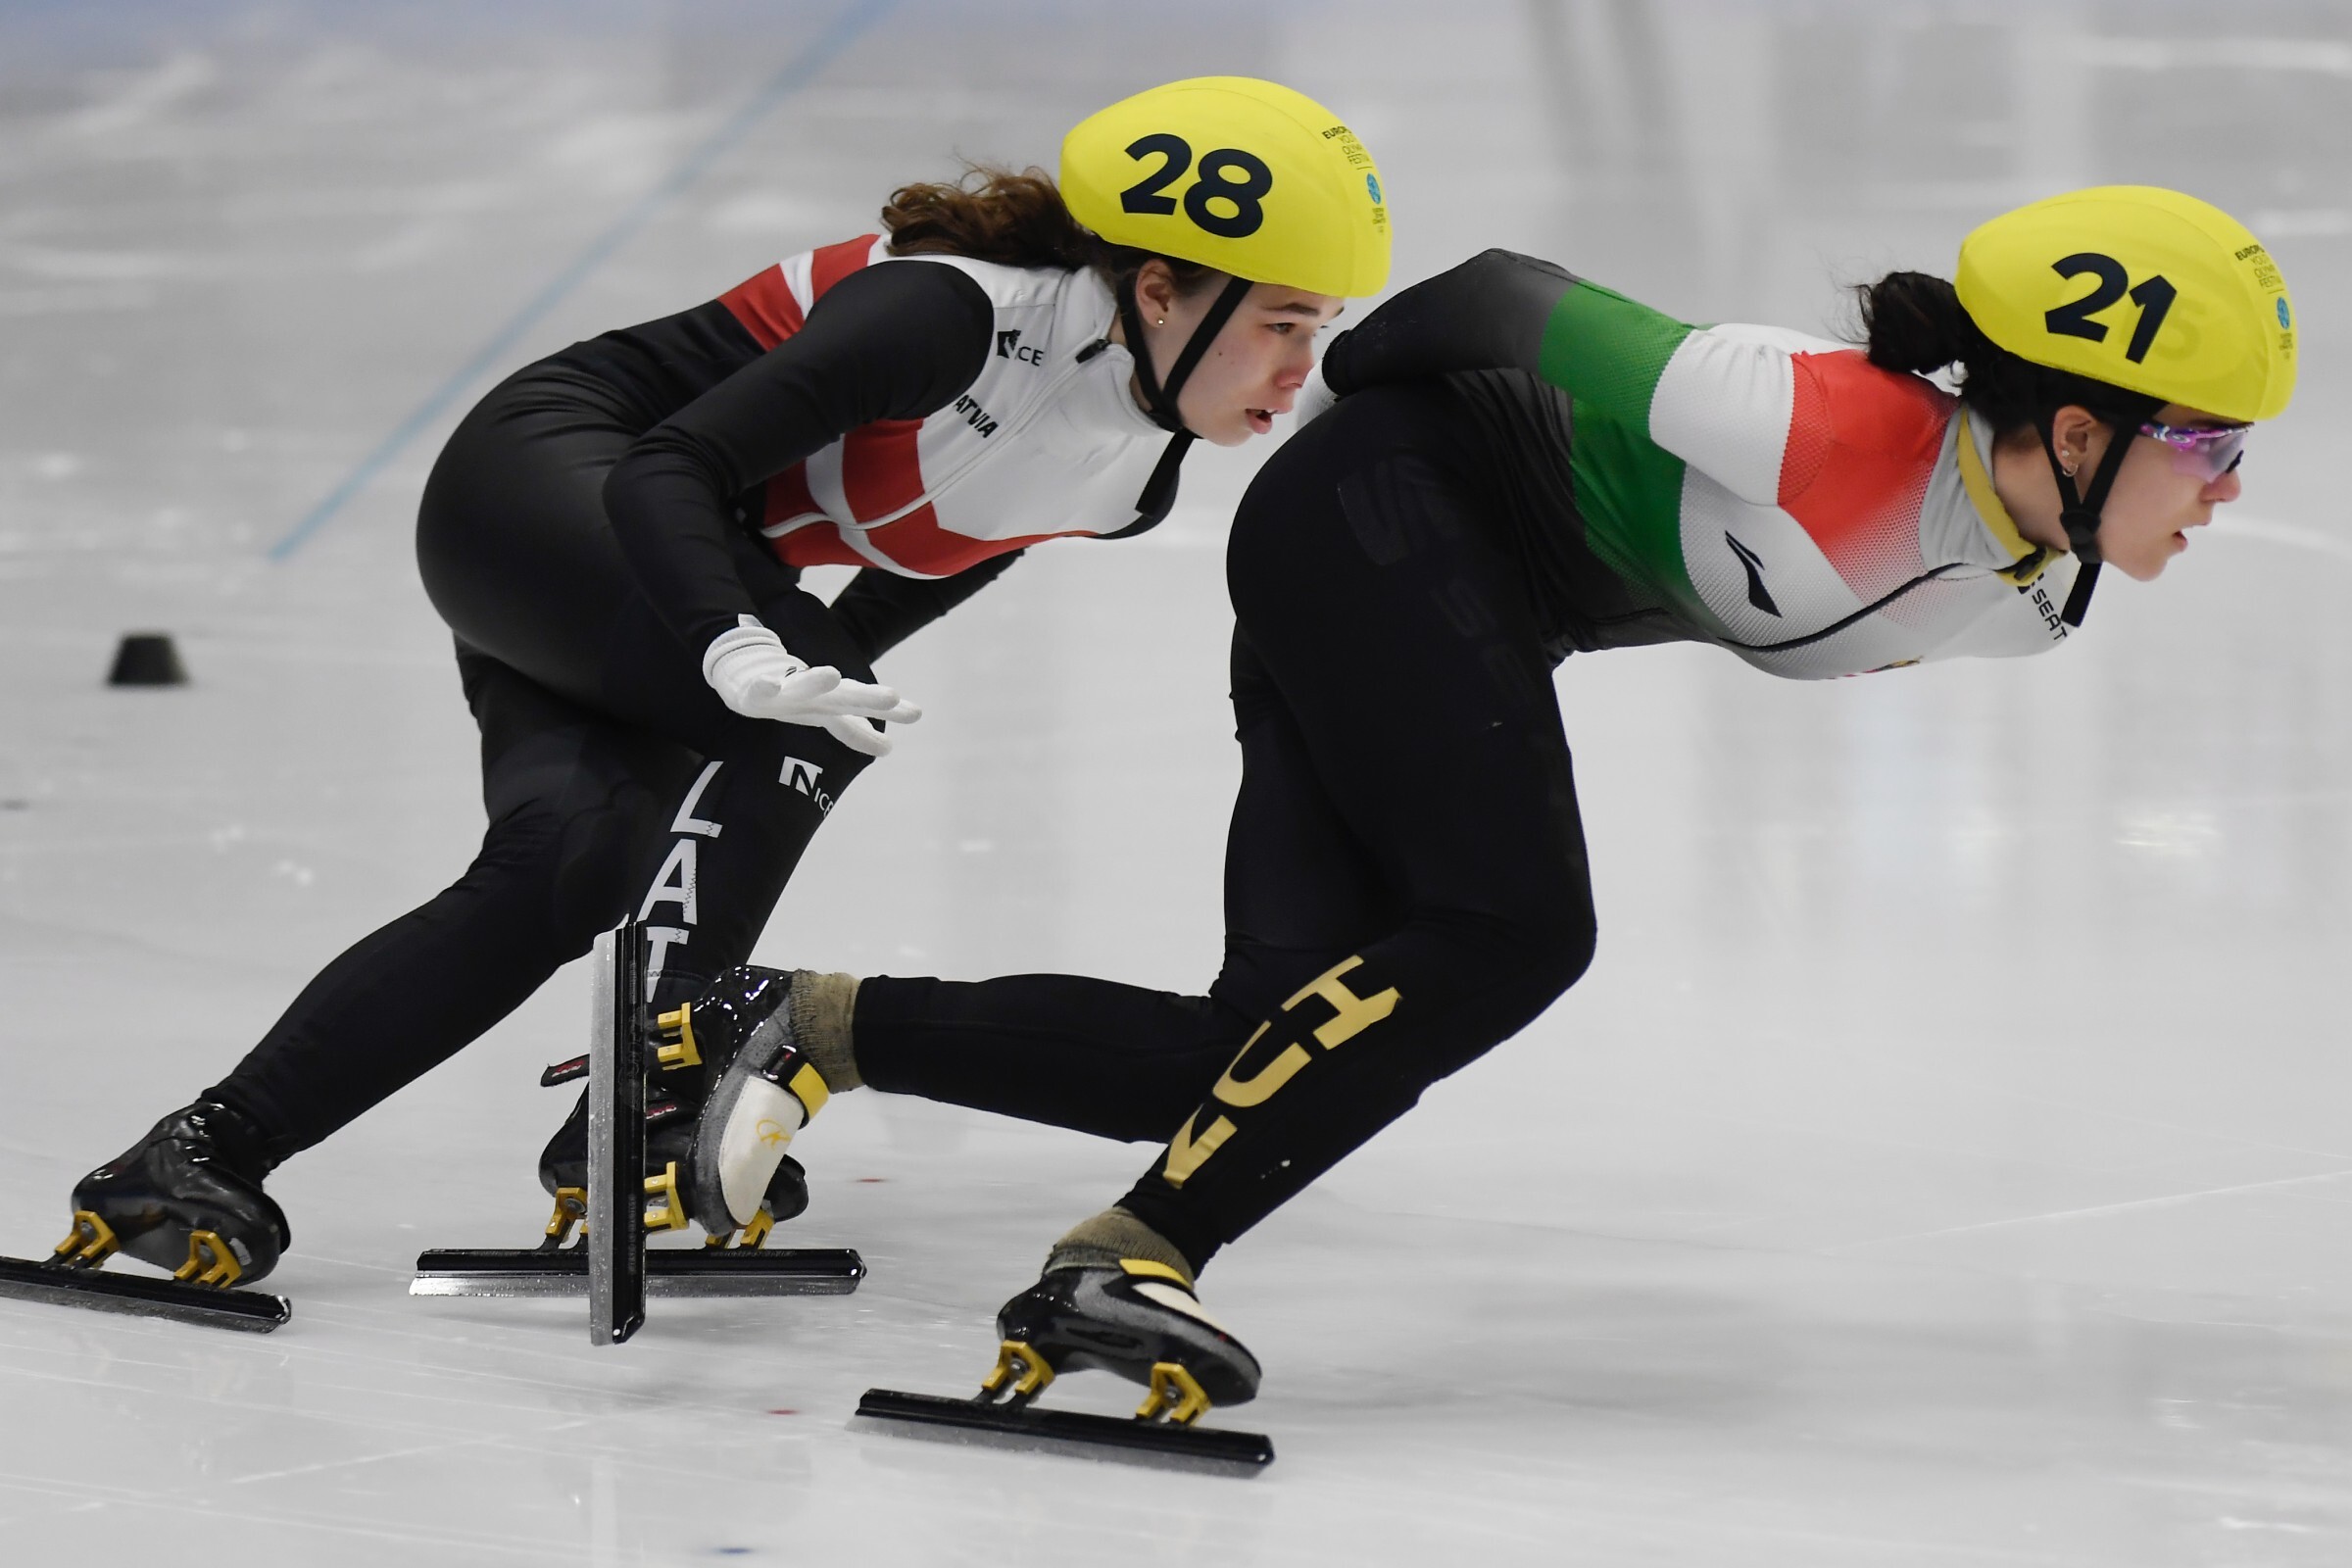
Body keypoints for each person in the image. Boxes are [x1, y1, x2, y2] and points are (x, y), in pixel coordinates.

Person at [666, 185, 2295, 1424]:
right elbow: (1500, 295)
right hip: (1385, 508)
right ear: (2075, 429)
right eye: (2210, 446)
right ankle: (1128, 1257)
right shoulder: (1810, 419)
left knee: (1247, 1049)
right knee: (1516, 926)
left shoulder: (2037, 596)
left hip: (1445, 590)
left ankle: (794, 1024)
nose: (2228, 488)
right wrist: (1333, 420)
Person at [53, 76, 1393, 1292]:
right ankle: (653, 1098)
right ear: (1159, 290)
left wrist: (812, 666)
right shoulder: (948, 315)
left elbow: (944, 551)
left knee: (567, 867)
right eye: (1281, 324)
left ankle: (200, 1150)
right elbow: (668, 467)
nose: (1300, 370)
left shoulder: (1138, 476)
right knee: (798, 727)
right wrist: (741, 648)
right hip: (540, 489)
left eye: (1319, 330)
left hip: (646, 580)